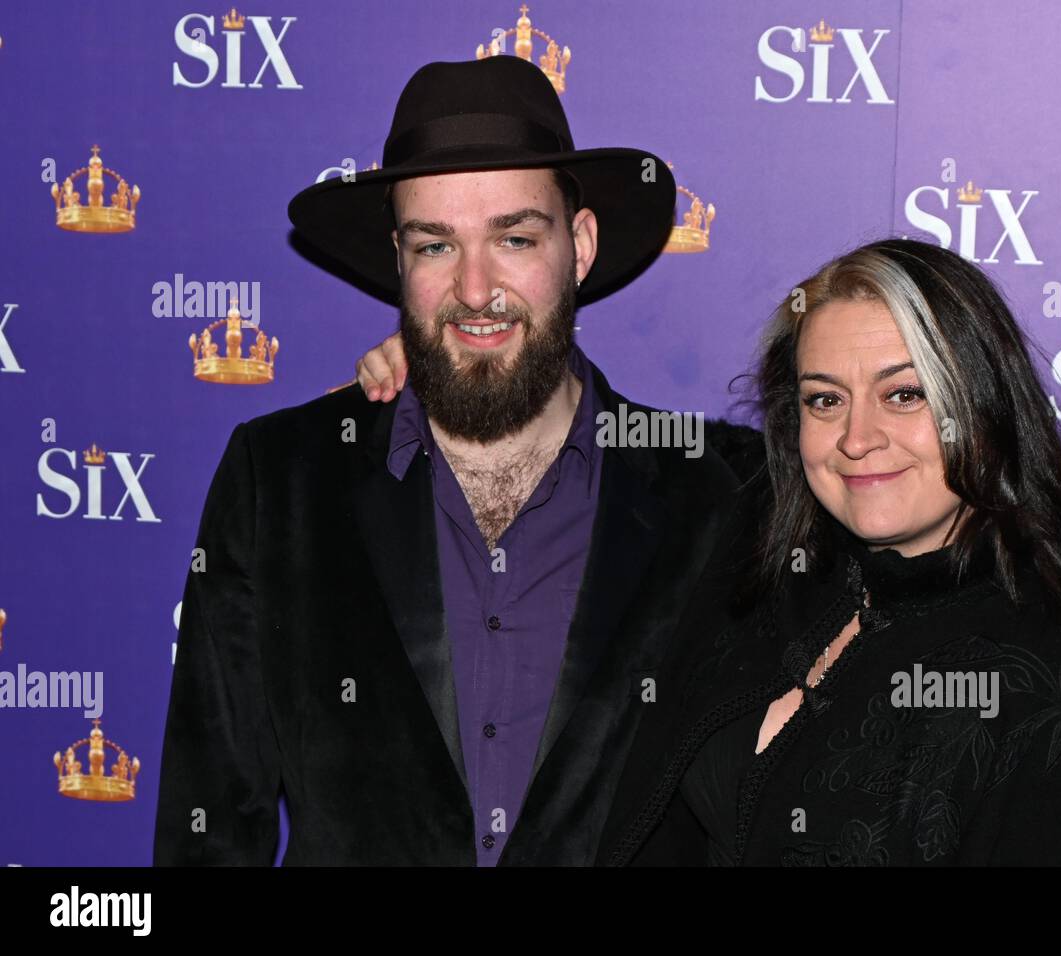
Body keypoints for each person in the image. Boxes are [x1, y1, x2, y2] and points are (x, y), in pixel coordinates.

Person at [356, 238, 1061, 867]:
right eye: (826, 399)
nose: (859, 438)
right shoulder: (778, 565)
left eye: (905, 395)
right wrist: (460, 368)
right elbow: (618, 447)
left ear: (987, 403)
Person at [153, 56, 750, 866]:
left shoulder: (715, 492)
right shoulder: (282, 481)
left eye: (513, 237)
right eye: (436, 246)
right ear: (399, 259)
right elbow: (211, 827)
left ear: (577, 246)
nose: (475, 288)